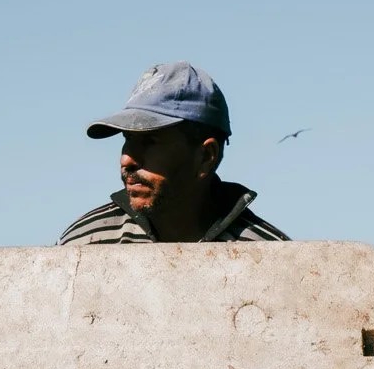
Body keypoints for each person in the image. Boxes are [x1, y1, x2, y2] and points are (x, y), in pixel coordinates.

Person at [58, 61, 289, 245]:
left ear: (206, 156)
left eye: (150, 141)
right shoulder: (85, 246)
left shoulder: (269, 258)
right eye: (128, 138)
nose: (127, 159)